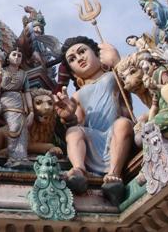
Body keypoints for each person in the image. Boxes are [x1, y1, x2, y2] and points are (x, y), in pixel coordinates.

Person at [54, 36, 134, 205]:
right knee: (73, 132)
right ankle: (79, 170)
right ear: (73, 72)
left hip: (116, 134)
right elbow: (79, 124)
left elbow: (131, 82)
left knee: (123, 124)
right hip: (94, 137)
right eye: (72, 59)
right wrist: (68, 116)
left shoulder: (113, 75)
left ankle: (114, 174)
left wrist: (117, 61)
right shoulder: (77, 95)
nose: (80, 58)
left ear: (98, 55)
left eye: (82, 51)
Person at [0, 48, 33, 165]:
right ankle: (12, 157)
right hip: (7, 101)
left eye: (19, 55)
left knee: (23, 129)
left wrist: (32, 111)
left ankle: (22, 157)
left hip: (21, 101)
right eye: (14, 54)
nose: (16, 57)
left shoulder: (23, 74)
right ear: (8, 58)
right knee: (13, 127)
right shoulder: (0, 71)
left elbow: (27, 92)